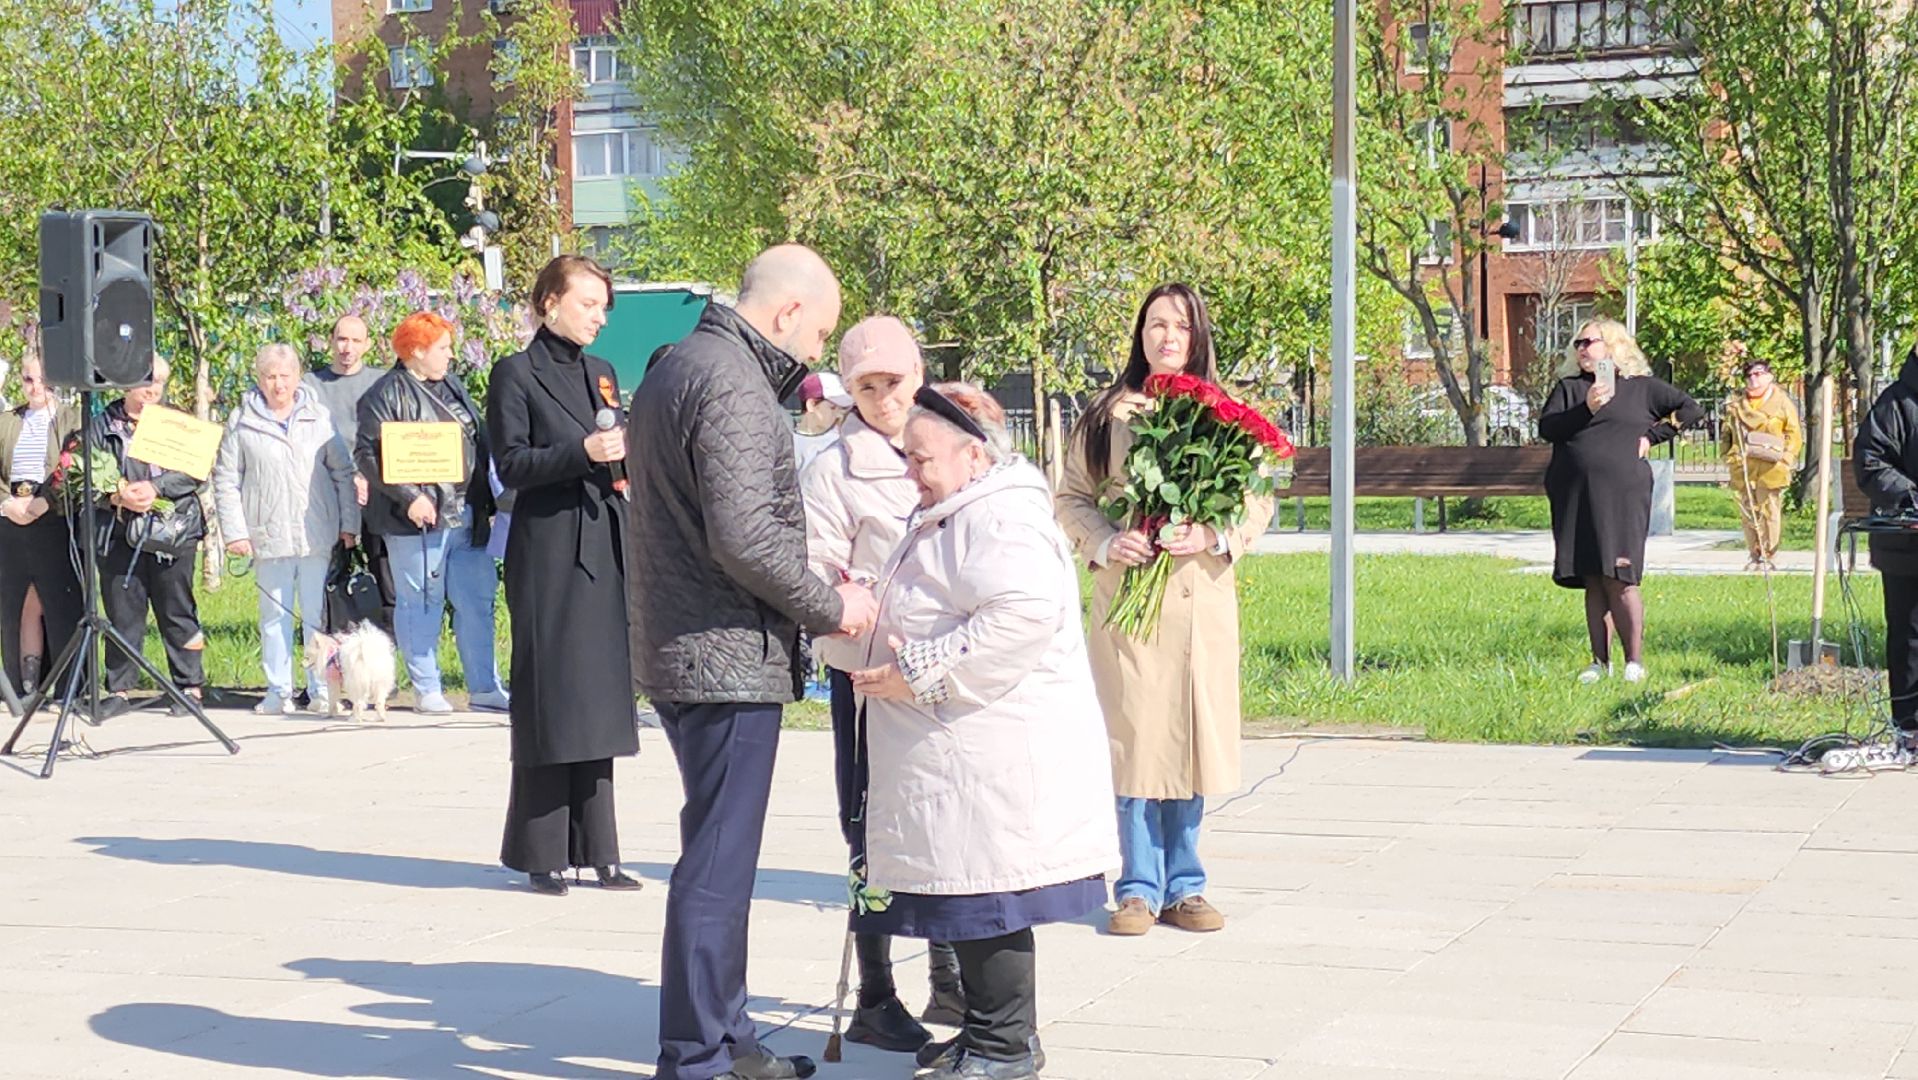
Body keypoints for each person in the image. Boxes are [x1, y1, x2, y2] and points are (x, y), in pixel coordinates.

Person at [626, 243, 876, 1080]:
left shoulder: (681, 363)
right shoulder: (731, 379)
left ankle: (728, 1040)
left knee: (718, 847)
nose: (814, 355)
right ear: (786, 313)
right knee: (719, 860)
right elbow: (743, 536)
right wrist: (833, 605)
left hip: (691, 641)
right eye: (819, 335)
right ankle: (696, 1055)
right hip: (722, 650)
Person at [848, 383, 1116, 1080]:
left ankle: (1006, 1046)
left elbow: (1021, 617)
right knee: (966, 895)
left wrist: (919, 673)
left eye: (921, 458)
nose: (911, 471)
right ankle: (987, 1033)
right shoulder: (959, 505)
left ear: (973, 454)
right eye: (906, 457)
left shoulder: (1001, 517)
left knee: (990, 898)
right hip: (959, 749)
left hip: (991, 749)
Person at [1055, 283, 1274, 938]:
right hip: (1128, 599)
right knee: (1133, 740)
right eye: (1154, 324)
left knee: (1189, 735)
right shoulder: (1107, 416)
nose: (1166, 336)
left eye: (1178, 325)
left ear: (1197, 334)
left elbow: (1258, 502)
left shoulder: (1228, 416)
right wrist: (1104, 540)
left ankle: (1186, 883)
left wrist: (1213, 536)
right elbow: (1070, 498)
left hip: (1197, 602)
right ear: (1140, 335)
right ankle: (1135, 886)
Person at [799, 316, 961, 1052]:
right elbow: (816, 568)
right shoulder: (832, 468)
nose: (883, 398)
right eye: (866, 386)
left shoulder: (956, 435)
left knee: (953, 820)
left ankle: (953, 975)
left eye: (893, 382)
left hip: (950, 667)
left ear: (917, 376)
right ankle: (875, 990)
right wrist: (858, 596)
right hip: (869, 672)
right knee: (871, 827)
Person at [485, 255, 641, 897]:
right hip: (549, 551)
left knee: (599, 698)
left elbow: (618, 447)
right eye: (588, 304)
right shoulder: (514, 374)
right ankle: (542, 850)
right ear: (549, 302)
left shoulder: (602, 374)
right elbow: (512, 464)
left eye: (604, 306)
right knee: (554, 696)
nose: (599, 317)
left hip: (603, 542)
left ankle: (600, 849)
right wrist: (581, 452)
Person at [354, 312, 506, 716]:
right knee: (420, 601)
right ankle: (427, 687)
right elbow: (368, 455)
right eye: (442, 348)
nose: (450, 356)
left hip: (467, 512)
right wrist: (409, 497)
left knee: (477, 600)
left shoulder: (453, 386)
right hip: (416, 521)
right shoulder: (384, 394)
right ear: (417, 351)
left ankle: (485, 687)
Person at [1539, 317, 1703, 685]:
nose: (1581, 349)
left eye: (1589, 342)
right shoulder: (1569, 389)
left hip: (1623, 493)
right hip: (1575, 493)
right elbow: (1548, 428)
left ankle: (1634, 661)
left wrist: (1654, 434)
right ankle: (1600, 661)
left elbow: (1691, 409)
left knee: (1621, 576)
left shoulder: (1641, 388)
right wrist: (1587, 408)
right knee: (1593, 577)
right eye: (1578, 343)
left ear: (1613, 345)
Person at [213, 344, 359, 715]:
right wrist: (235, 533)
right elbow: (227, 478)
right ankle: (278, 691)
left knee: (315, 617)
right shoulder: (242, 420)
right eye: (270, 376)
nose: (279, 384)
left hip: (315, 532)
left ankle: (322, 691)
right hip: (267, 533)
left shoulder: (318, 416)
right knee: (274, 616)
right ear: (259, 379)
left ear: (297, 376)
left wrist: (348, 524)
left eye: (285, 376)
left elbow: (342, 472)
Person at [89, 356, 209, 719]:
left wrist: (154, 487)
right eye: (145, 383)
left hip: (173, 531)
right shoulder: (102, 425)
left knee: (177, 610)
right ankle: (121, 689)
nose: (152, 391)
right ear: (125, 385)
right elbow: (85, 472)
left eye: (158, 383)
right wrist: (116, 493)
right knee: (123, 611)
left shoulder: (179, 422)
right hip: (120, 529)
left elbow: (196, 472)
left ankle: (189, 686)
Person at [305, 313, 395, 634]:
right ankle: (326, 650)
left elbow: (393, 439)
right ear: (331, 341)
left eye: (356, 340)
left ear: (368, 345)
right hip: (328, 492)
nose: (347, 347)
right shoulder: (310, 385)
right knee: (327, 577)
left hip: (375, 491)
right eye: (342, 339)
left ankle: (387, 651)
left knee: (385, 572)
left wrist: (368, 477)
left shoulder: (383, 383)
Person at [0, 353, 82, 701]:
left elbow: (74, 462)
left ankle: (67, 686)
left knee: (56, 601)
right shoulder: (7, 421)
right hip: (10, 516)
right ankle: (26, 687)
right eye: (28, 380)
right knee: (20, 603)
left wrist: (45, 501)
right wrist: (5, 502)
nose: (35, 388)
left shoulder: (70, 418)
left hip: (54, 516)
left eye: (42, 380)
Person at [1856, 346, 1918, 736]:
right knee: (1910, 637)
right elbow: (1870, 460)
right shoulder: (1895, 402)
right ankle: (1910, 729)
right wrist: (1912, 498)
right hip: (1908, 548)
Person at [1720, 355, 1803, 571]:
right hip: (1745, 468)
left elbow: (1794, 435)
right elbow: (1726, 436)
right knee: (1749, 514)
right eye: (1749, 375)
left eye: (1758, 374)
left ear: (1770, 376)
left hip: (1772, 468)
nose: (1753, 379)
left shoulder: (1782, 403)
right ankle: (1754, 555)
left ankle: (1769, 555)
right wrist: (1731, 458)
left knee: (1770, 512)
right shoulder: (1737, 407)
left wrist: (1786, 459)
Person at [792, 370, 852, 474]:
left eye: (842, 409)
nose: (839, 414)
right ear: (812, 405)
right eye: (832, 408)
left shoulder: (843, 443)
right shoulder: (789, 443)